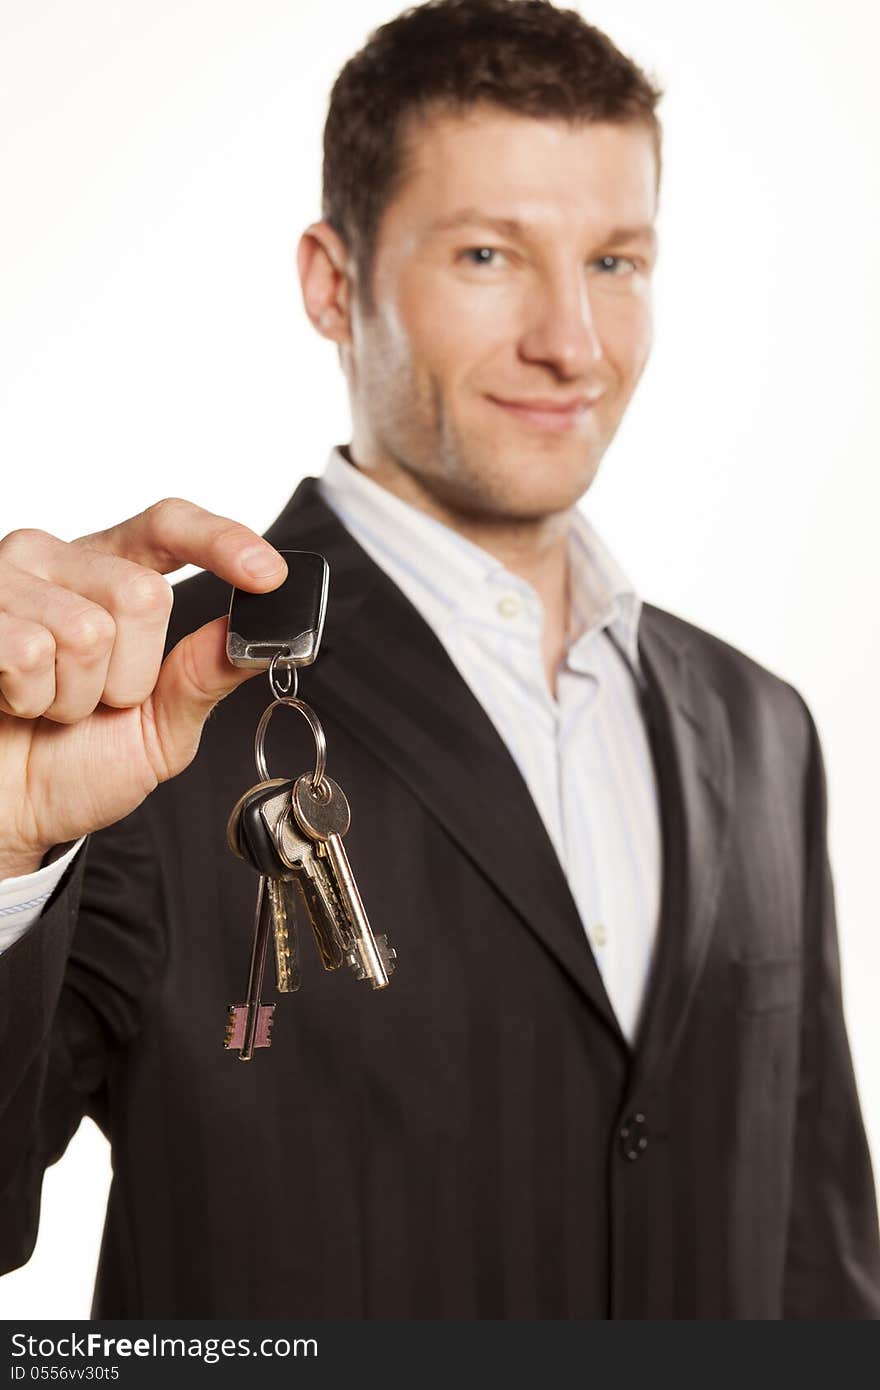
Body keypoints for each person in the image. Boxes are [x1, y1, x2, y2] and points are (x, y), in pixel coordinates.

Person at [0, 0, 878, 1319]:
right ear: (333, 283)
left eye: (617, 262)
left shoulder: (759, 726)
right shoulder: (134, 719)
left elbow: (821, 1267)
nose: (571, 342)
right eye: (487, 253)